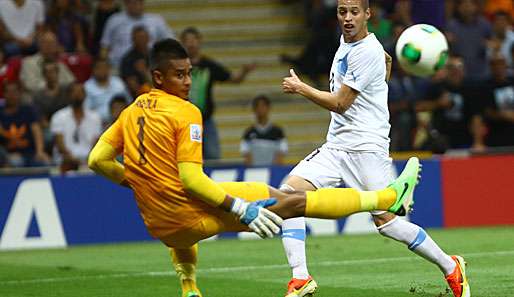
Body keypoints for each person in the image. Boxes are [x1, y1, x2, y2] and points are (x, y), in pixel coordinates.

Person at [87, 38, 420, 297]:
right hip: (192, 215)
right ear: (158, 76)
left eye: (189, 73)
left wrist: (138, 182)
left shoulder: (131, 112)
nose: (188, 81)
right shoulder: (185, 112)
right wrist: (239, 208)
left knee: (185, 212)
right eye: (180, 75)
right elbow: (190, 179)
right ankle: (386, 198)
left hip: (162, 229)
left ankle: (189, 288)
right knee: (290, 201)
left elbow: (97, 160)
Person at [281, 1, 470, 297]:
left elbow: (340, 104)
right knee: (288, 196)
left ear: (367, 14)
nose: (347, 17)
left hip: (367, 148)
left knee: (387, 223)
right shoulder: (350, 44)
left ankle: (450, 266)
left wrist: (301, 87)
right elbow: (386, 63)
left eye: (354, 11)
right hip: (337, 146)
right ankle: (300, 278)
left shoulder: (365, 51)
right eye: (343, 11)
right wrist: (377, 88)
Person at [180, 27, 256, 160]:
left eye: (194, 40)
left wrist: (244, 71)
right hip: (183, 122)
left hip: (206, 120)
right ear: (182, 43)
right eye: (187, 41)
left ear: (200, 41)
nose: (191, 44)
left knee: (213, 158)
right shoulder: (178, 66)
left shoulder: (209, 65)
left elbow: (233, 79)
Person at [100, 0, 174, 68]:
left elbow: (171, 43)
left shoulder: (156, 20)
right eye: (132, 2)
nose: (136, 5)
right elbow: (105, 46)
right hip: (118, 66)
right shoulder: (114, 20)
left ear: (143, 3)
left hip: (150, 66)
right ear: (126, 3)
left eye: (139, 2)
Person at [51, 82, 102, 169]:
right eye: (74, 92)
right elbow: (60, 144)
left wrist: (88, 159)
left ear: (85, 95)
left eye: (80, 92)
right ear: (68, 95)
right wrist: (73, 159)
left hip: (88, 160)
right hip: (66, 161)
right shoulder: (59, 116)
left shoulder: (95, 117)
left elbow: (96, 142)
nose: (77, 95)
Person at [0, 81, 49, 167]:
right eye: (8, 92)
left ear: (19, 94)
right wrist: (6, 157)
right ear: (4, 94)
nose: (11, 95)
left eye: (14, 92)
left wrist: (40, 152)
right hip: (10, 156)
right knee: (16, 162)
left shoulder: (28, 110)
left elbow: (36, 131)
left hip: (31, 153)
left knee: (45, 163)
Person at [20, 30, 75, 95]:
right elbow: (30, 85)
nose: (49, 46)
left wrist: (57, 87)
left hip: (59, 98)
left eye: (52, 43)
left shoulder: (60, 64)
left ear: (57, 46)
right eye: (45, 43)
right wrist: (51, 87)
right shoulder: (28, 62)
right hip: (37, 99)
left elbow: (70, 82)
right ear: (39, 44)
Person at [240, 95, 288, 166]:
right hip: (254, 173)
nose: (260, 109)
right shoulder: (248, 133)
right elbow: (247, 157)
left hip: (273, 172)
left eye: (263, 106)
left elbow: (280, 155)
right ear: (254, 109)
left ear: (268, 108)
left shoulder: (278, 132)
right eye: (257, 106)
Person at [84, 58, 128, 123]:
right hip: (97, 123)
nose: (102, 70)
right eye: (99, 68)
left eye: (105, 67)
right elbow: (86, 110)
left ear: (109, 69)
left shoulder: (118, 83)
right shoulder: (87, 87)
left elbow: (128, 103)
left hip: (119, 121)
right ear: (93, 70)